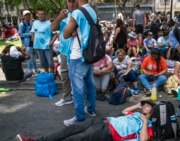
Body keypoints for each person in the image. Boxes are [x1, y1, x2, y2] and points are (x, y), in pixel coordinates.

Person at [16, 100, 155, 141]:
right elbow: (124, 112)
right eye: (145, 104)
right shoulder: (136, 114)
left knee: (76, 139)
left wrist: (144, 120)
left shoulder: (147, 126)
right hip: (104, 121)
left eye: (148, 106)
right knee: (69, 130)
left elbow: (143, 140)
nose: (145, 106)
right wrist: (137, 106)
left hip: (108, 132)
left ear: (151, 112)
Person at [63, 0, 97, 126]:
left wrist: (71, 30)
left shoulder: (77, 13)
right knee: (89, 84)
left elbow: (66, 34)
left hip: (78, 55)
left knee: (77, 89)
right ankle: (91, 109)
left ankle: (79, 117)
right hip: (89, 54)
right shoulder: (92, 11)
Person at [51, 0, 78, 107]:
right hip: (63, 51)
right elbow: (52, 28)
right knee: (64, 74)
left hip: (76, 51)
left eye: (73, 2)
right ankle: (67, 98)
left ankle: (79, 98)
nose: (71, 4)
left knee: (77, 76)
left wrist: (77, 33)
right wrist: (59, 18)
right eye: (69, 2)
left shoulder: (79, 14)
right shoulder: (64, 14)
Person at [31, 8, 54, 73]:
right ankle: (47, 74)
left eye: (42, 14)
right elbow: (32, 32)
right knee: (43, 63)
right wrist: (33, 39)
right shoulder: (35, 22)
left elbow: (56, 34)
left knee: (50, 63)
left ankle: (52, 75)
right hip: (38, 46)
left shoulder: (49, 23)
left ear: (45, 15)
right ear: (37, 15)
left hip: (47, 46)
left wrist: (51, 42)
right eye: (39, 14)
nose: (41, 16)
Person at [18, 10, 40, 74]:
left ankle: (35, 69)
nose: (28, 16)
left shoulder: (33, 23)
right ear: (23, 16)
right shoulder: (22, 24)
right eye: (26, 15)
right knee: (29, 58)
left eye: (29, 15)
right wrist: (30, 34)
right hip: (27, 44)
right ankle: (30, 70)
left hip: (34, 43)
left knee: (34, 57)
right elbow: (20, 34)